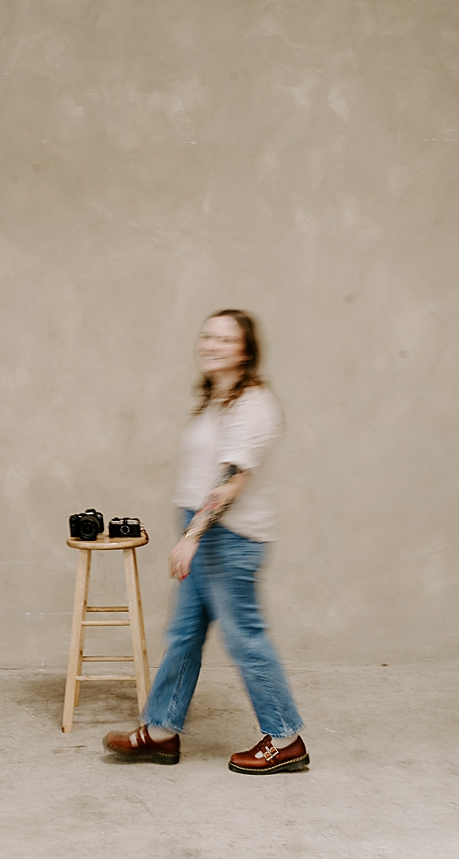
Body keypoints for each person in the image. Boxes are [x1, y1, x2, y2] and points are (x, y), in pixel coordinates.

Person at [103, 310, 307, 774]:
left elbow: (232, 479)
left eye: (225, 339)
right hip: (208, 534)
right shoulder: (219, 399)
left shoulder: (251, 403)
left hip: (227, 538)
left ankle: (285, 738)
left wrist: (193, 536)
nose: (211, 345)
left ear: (246, 350)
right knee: (184, 635)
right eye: (207, 336)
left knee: (244, 638)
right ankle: (160, 732)